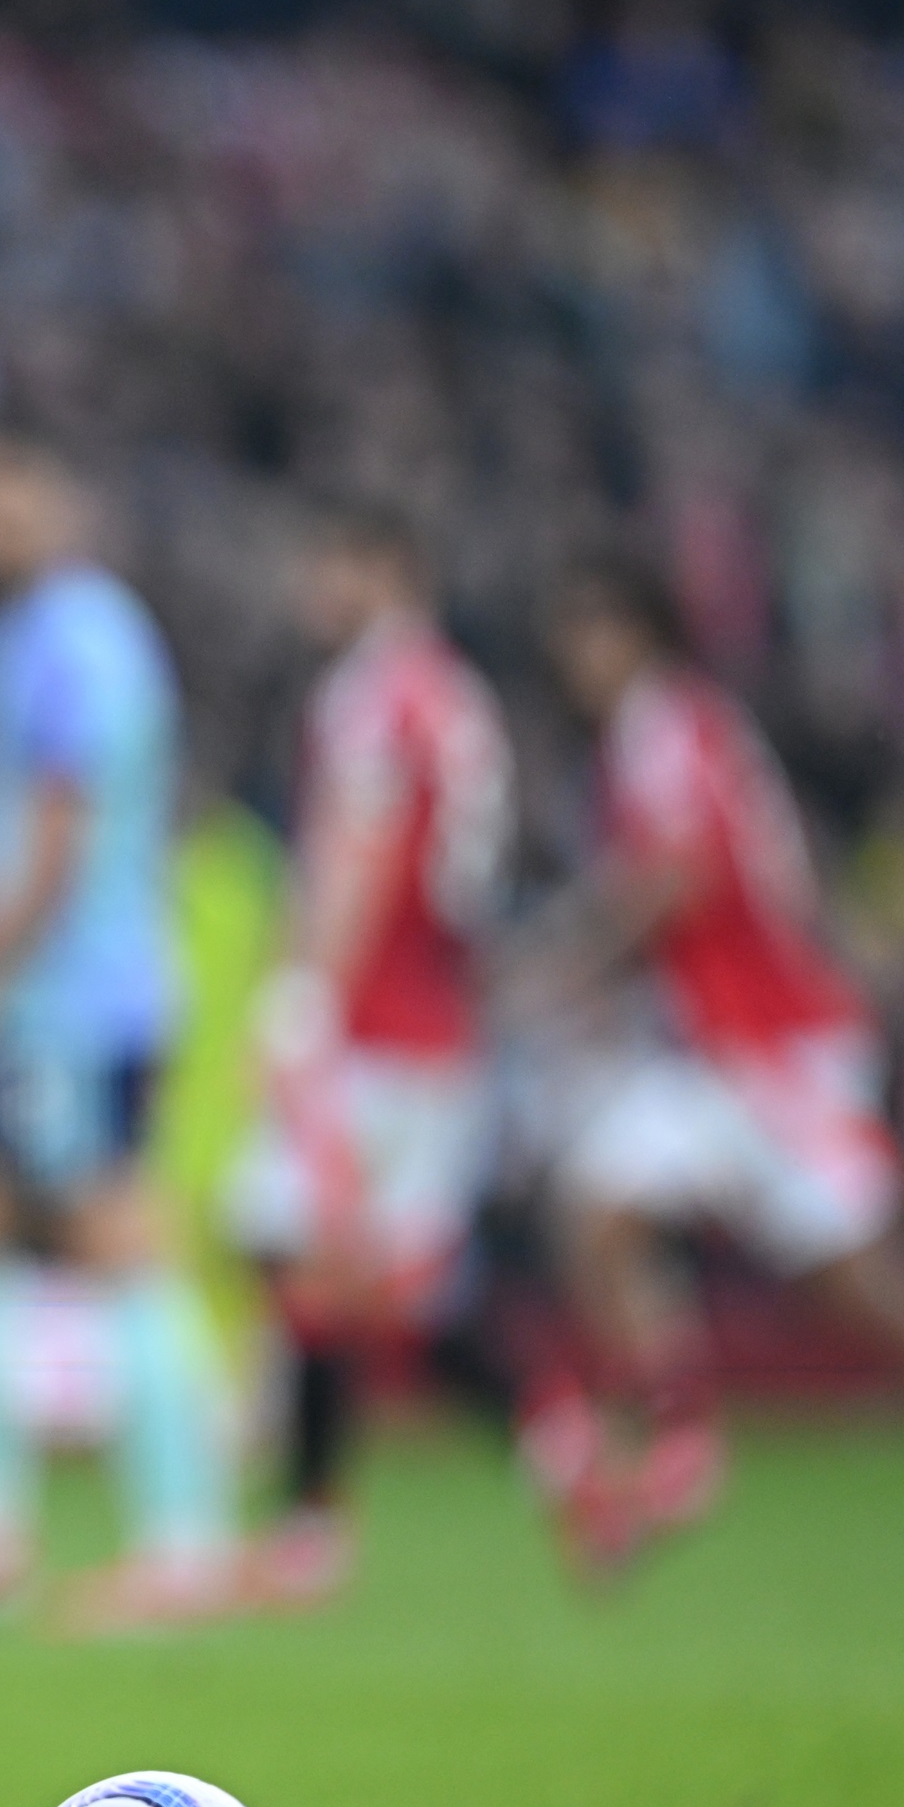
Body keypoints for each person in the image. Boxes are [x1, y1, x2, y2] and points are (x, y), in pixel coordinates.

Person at [537, 562, 904, 1569]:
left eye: (591, 633)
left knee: (864, 1284)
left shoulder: (667, 727)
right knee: (597, 1203)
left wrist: (566, 955)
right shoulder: (674, 729)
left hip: (783, 1050)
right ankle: (681, 1441)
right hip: (724, 1051)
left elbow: (676, 876)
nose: (575, 659)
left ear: (640, 632)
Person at [0, 431, 234, 1633]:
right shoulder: (24, 637)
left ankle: (184, 1545)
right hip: (48, 994)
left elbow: (59, 838)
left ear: (64, 493)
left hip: (75, 996)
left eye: (10, 488)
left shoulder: (81, 637)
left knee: (113, 1232)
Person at [221, 508, 517, 1606]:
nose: (313, 583)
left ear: (383, 568)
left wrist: (306, 996)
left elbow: (365, 849)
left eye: (329, 560)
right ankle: (561, 1442)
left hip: (368, 1028)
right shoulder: (458, 694)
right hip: (437, 1024)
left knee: (303, 1250)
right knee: (380, 1274)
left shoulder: (372, 692)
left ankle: (311, 1526)